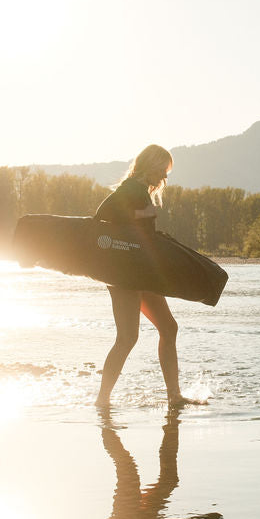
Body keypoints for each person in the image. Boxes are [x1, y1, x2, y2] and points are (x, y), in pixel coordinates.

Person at [93, 144, 202, 409]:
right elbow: (101, 217)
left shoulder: (140, 191)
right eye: (163, 171)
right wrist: (141, 214)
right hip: (123, 276)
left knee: (169, 328)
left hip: (141, 274)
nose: (164, 178)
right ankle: (102, 400)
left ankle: (174, 396)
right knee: (127, 338)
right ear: (150, 165)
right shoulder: (131, 187)